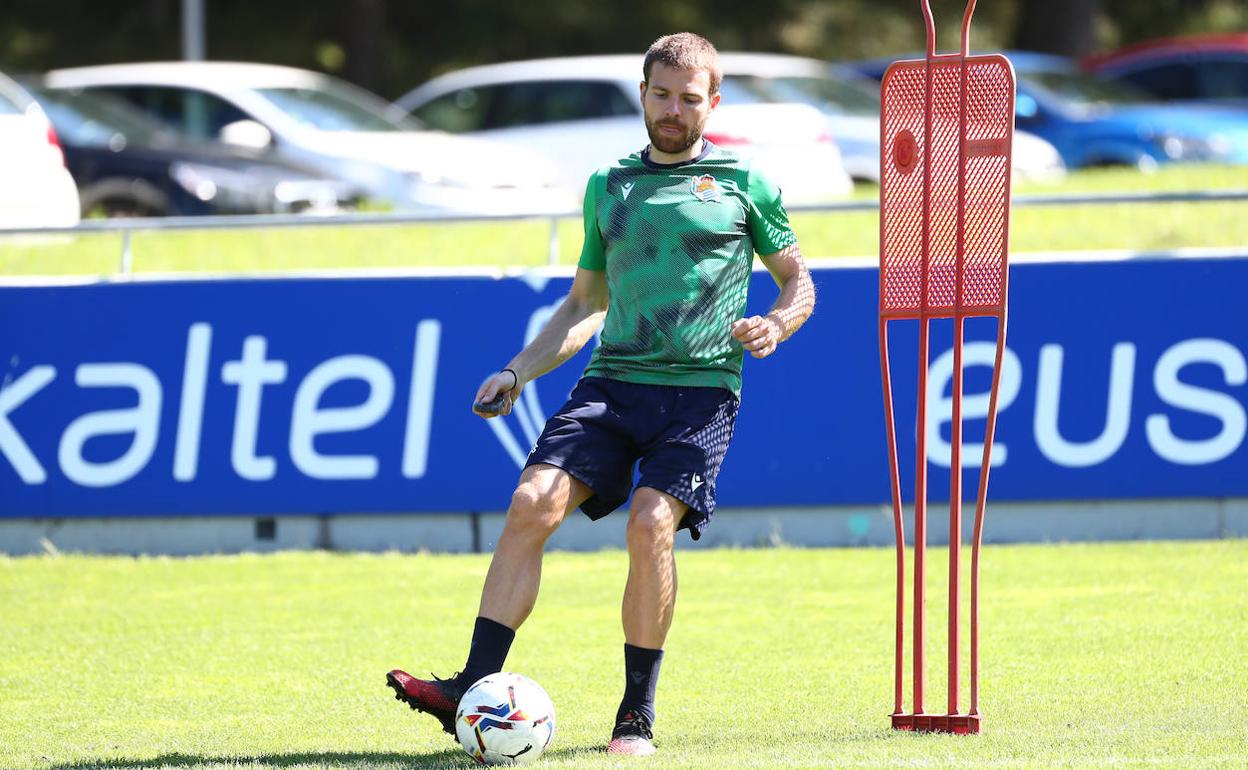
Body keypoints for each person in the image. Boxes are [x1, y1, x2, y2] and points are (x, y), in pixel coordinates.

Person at [387, 31, 815, 757]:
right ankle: (471, 685)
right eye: (661, 95)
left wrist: (778, 323)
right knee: (530, 504)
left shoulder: (746, 183)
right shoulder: (609, 186)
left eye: (689, 98)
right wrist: (519, 371)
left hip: (700, 392)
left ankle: (635, 716)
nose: (673, 110)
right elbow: (584, 303)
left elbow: (798, 282)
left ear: (713, 101)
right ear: (642, 94)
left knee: (650, 522)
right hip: (612, 384)